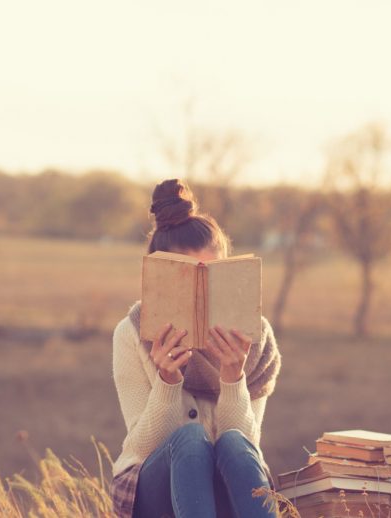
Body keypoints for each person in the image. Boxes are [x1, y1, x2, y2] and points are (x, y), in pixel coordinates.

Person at [109, 179, 281, 518]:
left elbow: (247, 445)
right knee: (189, 439)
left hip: (228, 481)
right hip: (155, 484)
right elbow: (144, 446)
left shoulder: (256, 337)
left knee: (233, 443)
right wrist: (168, 382)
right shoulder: (131, 332)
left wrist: (233, 377)